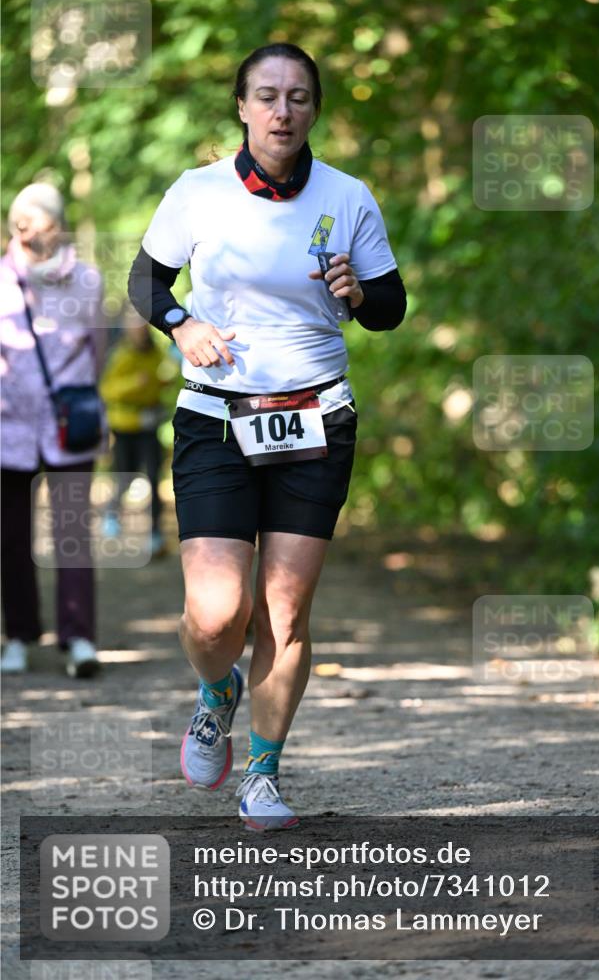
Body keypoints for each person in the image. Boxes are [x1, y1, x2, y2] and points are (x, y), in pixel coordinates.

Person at [128, 43, 406, 830]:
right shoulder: (198, 191)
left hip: (316, 418)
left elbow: (389, 306)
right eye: (267, 96)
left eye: (298, 97)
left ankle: (262, 773)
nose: (283, 111)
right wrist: (180, 324)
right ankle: (217, 688)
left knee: (283, 613)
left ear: (314, 109)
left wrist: (360, 293)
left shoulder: (347, 196)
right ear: (242, 107)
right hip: (216, 416)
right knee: (217, 614)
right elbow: (146, 279)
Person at [0, 183, 106, 677]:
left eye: (35, 224)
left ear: (58, 227)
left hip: (70, 427)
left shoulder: (87, 280)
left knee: (72, 534)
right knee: (10, 537)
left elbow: (98, 351)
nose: (24, 233)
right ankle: (18, 636)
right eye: (17, 224)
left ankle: (78, 636)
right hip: (9, 427)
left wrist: (80, 397)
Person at [99, 311, 177, 556]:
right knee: (125, 476)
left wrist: (161, 384)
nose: (139, 332)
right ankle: (112, 516)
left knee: (153, 477)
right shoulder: (120, 355)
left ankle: (155, 533)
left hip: (149, 425)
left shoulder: (156, 354)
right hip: (125, 427)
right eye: (135, 328)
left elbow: (161, 379)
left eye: (142, 328)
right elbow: (107, 390)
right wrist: (135, 383)